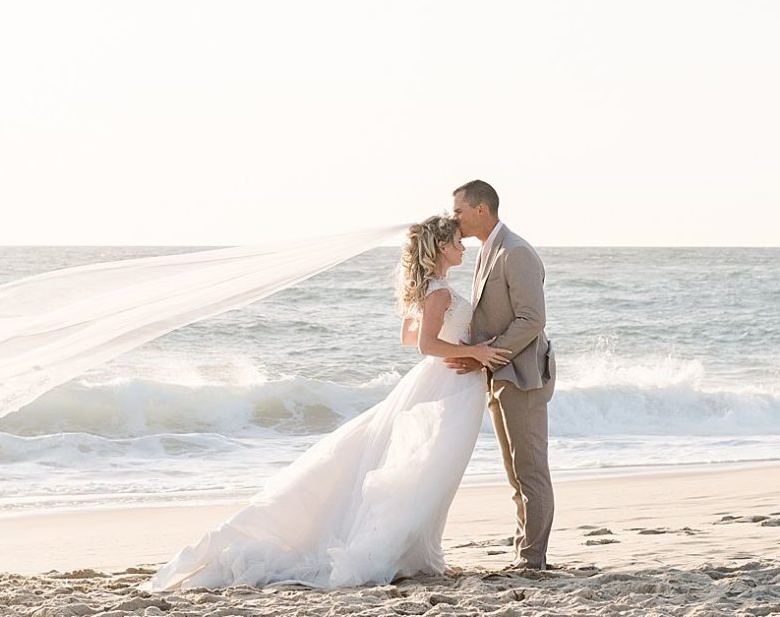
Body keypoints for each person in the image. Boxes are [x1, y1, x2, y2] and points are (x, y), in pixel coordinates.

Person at [147, 215, 509, 590]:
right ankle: (409, 553)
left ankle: (423, 552)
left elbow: (407, 336)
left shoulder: (434, 288)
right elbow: (424, 346)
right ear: (440, 249)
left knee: (431, 470)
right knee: (428, 469)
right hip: (446, 386)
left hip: (444, 381)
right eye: (455, 242)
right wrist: (476, 352)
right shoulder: (439, 293)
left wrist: (461, 349)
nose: (461, 246)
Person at [449, 179, 556, 570]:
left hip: (524, 374)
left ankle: (533, 559)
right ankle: (524, 551)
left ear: (481, 210)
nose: (453, 218)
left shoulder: (516, 252)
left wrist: (486, 356)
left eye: (458, 210)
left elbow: (532, 319)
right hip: (500, 375)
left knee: (530, 470)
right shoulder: (486, 251)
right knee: (515, 473)